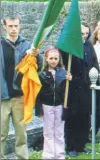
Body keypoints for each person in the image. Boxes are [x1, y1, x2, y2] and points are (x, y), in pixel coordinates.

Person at [1, 14, 42, 159]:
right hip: (2, 97)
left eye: (16, 26)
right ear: (4, 26)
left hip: (19, 96)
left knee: (21, 134)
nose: (13, 29)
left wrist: (36, 56)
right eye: (10, 26)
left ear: (20, 26)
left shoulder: (27, 45)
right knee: (1, 134)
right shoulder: (0, 44)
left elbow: (38, 67)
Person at [61, 23, 99, 157]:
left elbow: (94, 63)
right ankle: (70, 145)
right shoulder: (68, 48)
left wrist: (94, 75)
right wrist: (70, 76)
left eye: (86, 34)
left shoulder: (88, 46)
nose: (83, 36)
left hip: (86, 86)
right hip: (72, 87)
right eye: (81, 34)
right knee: (72, 117)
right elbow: (63, 65)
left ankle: (81, 144)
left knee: (84, 116)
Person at [37, 47, 72, 159]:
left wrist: (69, 80)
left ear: (59, 59)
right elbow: (39, 93)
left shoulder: (64, 73)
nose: (53, 60)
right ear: (46, 59)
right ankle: (49, 155)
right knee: (48, 132)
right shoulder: (42, 74)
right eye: (51, 58)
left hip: (60, 105)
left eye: (56, 58)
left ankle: (60, 155)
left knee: (59, 131)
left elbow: (66, 91)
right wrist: (39, 108)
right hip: (47, 105)